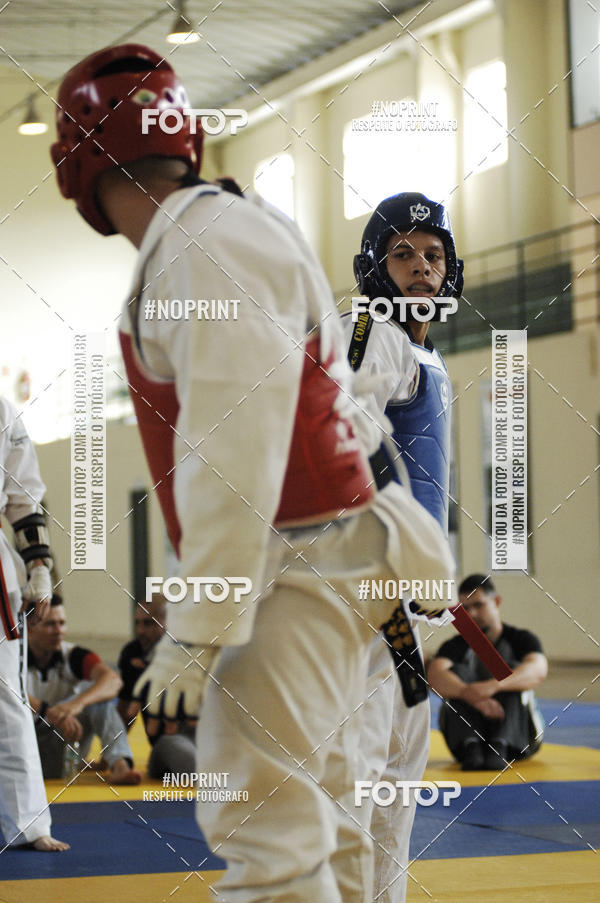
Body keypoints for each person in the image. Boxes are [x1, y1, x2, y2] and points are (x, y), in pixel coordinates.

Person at [50, 44, 455, 903]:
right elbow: (333, 413)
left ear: (77, 158)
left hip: (293, 567)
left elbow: (238, 445)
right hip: (336, 558)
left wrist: (198, 626)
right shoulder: (237, 221)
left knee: (265, 828)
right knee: (334, 811)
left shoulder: (197, 244)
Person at [344, 192, 463, 903]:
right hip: (371, 586)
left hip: (411, 602)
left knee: (396, 769)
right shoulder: (372, 328)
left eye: (433, 254)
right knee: (359, 764)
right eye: (404, 253)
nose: (421, 267)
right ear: (375, 264)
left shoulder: (425, 350)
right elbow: (345, 433)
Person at [0, 396, 69, 852]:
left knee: (6, 694)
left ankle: (27, 823)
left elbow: (23, 497)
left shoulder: (3, 411)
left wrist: (40, 566)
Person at [427, 573, 547, 770]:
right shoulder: (454, 646)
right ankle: (471, 743)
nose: (472, 614)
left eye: (478, 605)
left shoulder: (521, 639)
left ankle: (500, 742)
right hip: (466, 747)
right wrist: (469, 693)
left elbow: (538, 670)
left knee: (513, 671)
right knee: (455, 673)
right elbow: (435, 676)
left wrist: (493, 686)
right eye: (465, 609)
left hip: (520, 741)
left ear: (496, 601)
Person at [27, 595, 142, 785]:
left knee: (96, 691)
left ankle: (121, 764)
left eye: (62, 623)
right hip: (22, 747)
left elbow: (113, 681)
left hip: (65, 746)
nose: (59, 631)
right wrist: (48, 711)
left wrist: (74, 706)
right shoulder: (12, 656)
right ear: (30, 627)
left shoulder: (72, 655)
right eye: (50, 624)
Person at [117, 596, 195, 779]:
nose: (141, 631)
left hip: (203, 738)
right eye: (138, 624)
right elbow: (125, 710)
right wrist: (116, 757)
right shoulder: (132, 653)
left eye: (148, 624)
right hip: (169, 743)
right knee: (194, 765)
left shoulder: (187, 651)